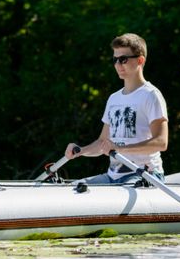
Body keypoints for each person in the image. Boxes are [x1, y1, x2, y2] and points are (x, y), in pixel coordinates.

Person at [65, 33, 168, 184]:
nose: (118, 65)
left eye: (123, 59)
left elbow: (161, 142)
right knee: (72, 190)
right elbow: (103, 143)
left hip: (145, 175)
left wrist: (120, 148)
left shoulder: (151, 95)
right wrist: (80, 150)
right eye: (115, 60)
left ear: (140, 60)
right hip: (113, 177)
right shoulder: (114, 99)